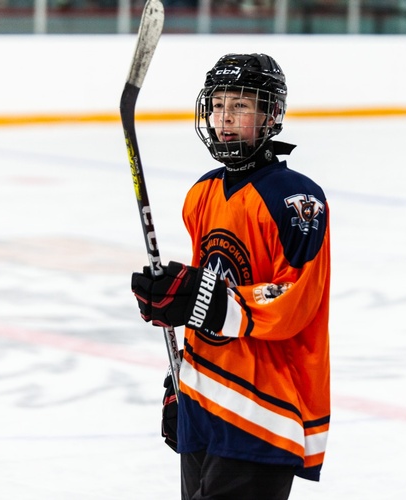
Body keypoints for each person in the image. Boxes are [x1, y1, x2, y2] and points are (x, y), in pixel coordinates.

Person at [131, 53, 331, 499]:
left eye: (240, 106)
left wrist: (199, 296)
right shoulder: (202, 193)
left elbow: (294, 301)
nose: (224, 118)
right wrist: (181, 380)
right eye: (218, 105)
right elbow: (209, 288)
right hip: (206, 399)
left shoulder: (297, 199)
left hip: (264, 408)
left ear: (271, 114)